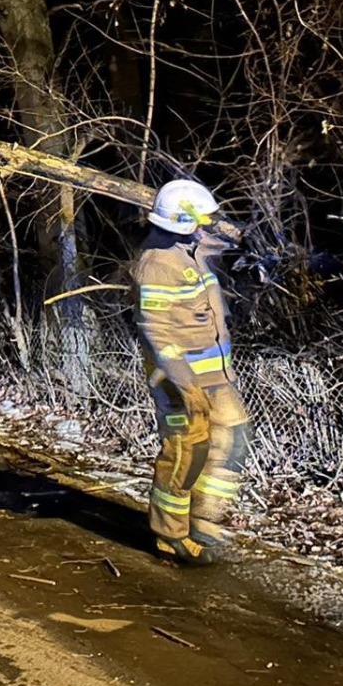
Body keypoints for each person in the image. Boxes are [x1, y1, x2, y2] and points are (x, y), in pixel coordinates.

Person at [130, 179, 250, 565]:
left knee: (232, 439)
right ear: (184, 222)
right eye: (203, 220)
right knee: (187, 453)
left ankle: (205, 521)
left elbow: (230, 241)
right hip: (182, 381)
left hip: (218, 376)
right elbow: (155, 330)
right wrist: (185, 384)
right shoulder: (157, 264)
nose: (209, 226)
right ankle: (171, 535)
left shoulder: (189, 248)